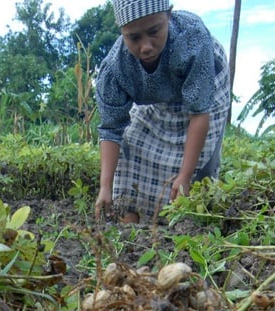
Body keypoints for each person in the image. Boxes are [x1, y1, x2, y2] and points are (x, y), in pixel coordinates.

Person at [94, 0, 230, 223]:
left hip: (205, 88)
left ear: (168, 15)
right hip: (161, 95)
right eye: (134, 38)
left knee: (198, 171)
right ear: (122, 32)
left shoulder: (192, 39)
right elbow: (112, 129)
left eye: (154, 31)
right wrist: (105, 187)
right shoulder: (115, 69)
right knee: (134, 142)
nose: (146, 46)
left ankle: (188, 225)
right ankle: (129, 229)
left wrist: (185, 176)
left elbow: (199, 113)